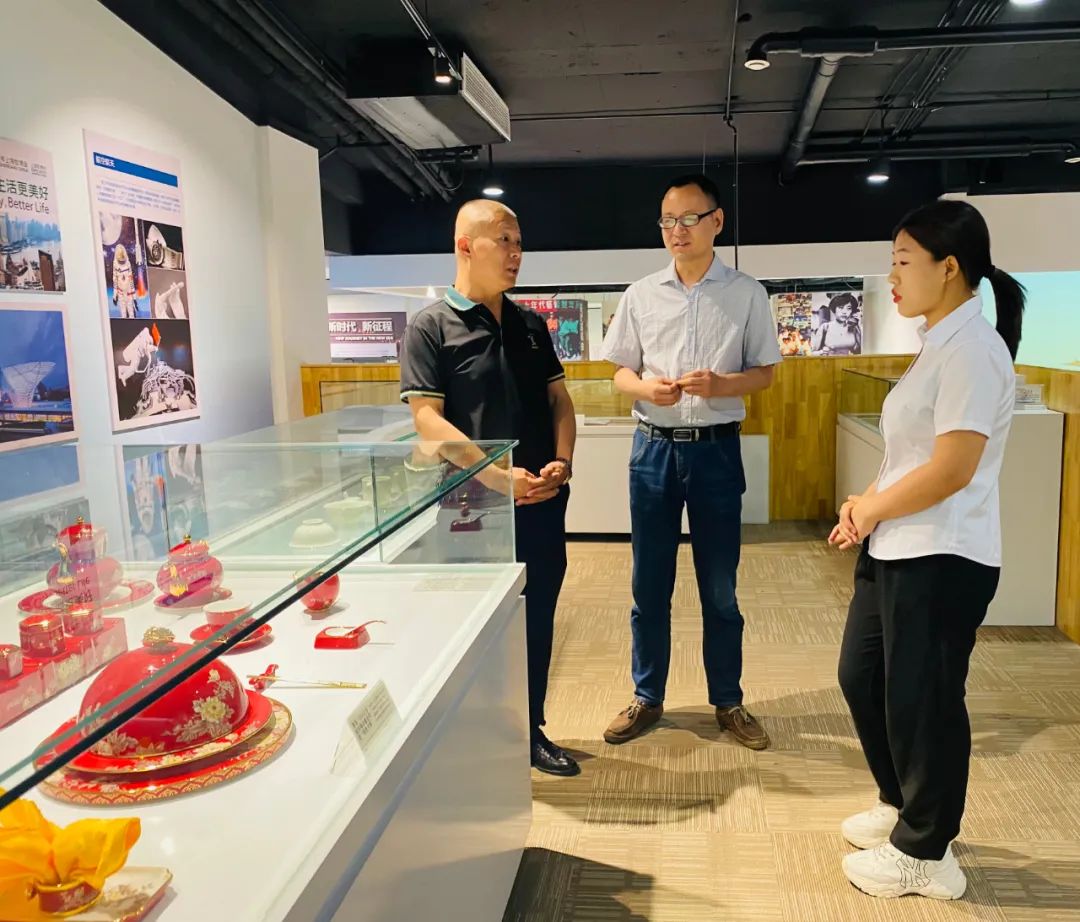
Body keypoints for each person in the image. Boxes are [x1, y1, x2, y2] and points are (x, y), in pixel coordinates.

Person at [829, 199, 1025, 900]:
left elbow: (952, 469)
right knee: (864, 678)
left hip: (944, 555)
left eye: (902, 261)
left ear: (949, 268)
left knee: (926, 699)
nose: (891, 276)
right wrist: (865, 509)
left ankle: (927, 852)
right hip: (898, 545)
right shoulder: (939, 343)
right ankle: (901, 803)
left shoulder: (973, 350)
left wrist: (870, 508)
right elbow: (913, 456)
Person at [398, 199, 580, 777]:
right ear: (465, 245)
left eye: (519, 242)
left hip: (541, 502)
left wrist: (562, 461)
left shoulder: (530, 325)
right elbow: (427, 420)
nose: (515, 252)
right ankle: (470, 735)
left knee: (537, 617)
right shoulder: (430, 326)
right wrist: (498, 477)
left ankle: (528, 729)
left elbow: (560, 401)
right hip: (469, 508)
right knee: (473, 624)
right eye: (504, 240)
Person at [600, 173, 781, 750]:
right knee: (648, 584)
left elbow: (765, 373)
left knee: (720, 586)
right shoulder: (640, 293)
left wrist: (722, 384)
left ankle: (728, 700)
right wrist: (643, 389)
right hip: (653, 449)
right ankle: (647, 696)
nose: (676, 231)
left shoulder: (747, 293)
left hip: (717, 451)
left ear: (716, 222)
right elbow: (620, 370)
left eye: (688, 219)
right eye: (667, 221)